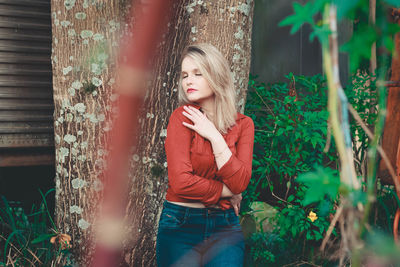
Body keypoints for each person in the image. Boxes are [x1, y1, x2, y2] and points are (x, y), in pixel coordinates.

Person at [156, 43, 254, 267]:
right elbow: (181, 183)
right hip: (180, 224)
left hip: (225, 227)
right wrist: (226, 191)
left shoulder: (244, 124)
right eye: (185, 75)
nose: (188, 81)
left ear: (216, 75)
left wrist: (214, 136)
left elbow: (240, 181)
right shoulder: (182, 117)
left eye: (198, 74)